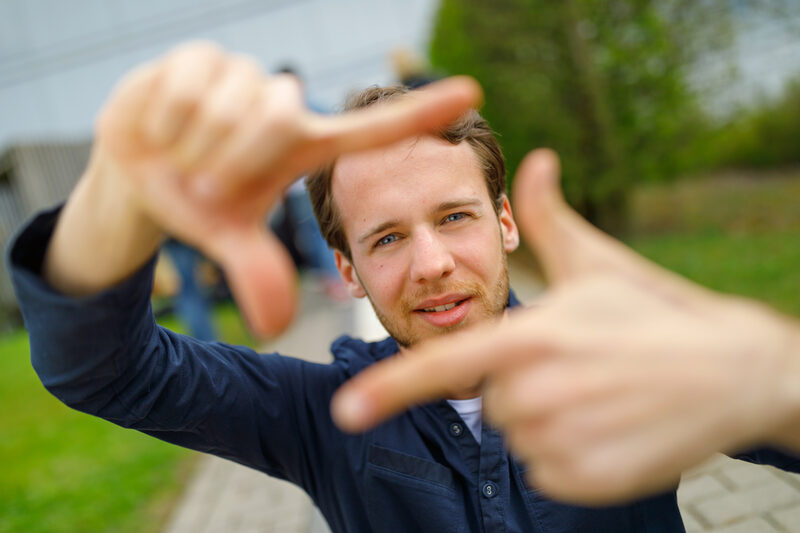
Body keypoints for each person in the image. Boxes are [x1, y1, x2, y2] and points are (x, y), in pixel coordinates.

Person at [7, 41, 800, 532]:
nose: (430, 264)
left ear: (506, 224)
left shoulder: (628, 364)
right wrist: (122, 193)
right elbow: (103, 369)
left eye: (454, 217)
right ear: (346, 269)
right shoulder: (319, 419)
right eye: (386, 237)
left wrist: (776, 379)